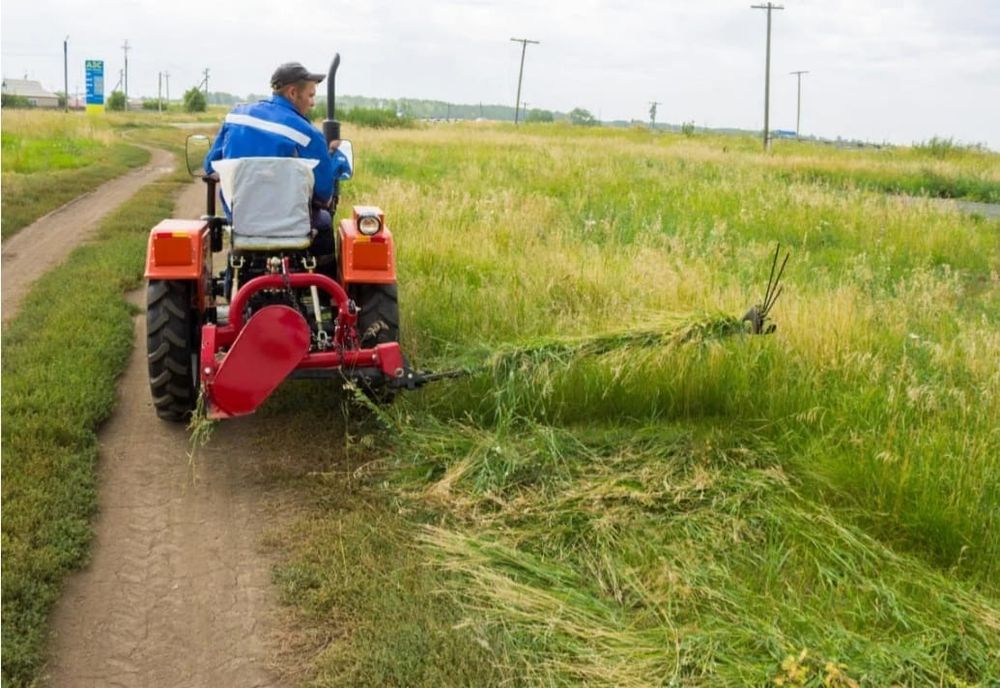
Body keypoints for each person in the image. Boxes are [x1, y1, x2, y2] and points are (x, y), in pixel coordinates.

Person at [204, 61, 351, 256]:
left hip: (241, 225)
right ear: (293, 93)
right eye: (310, 95)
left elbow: (210, 166)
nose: (312, 103)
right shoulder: (309, 135)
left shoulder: (236, 117)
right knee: (324, 221)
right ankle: (325, 275)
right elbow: (324, 195)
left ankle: (234, 270)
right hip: (294, 230)